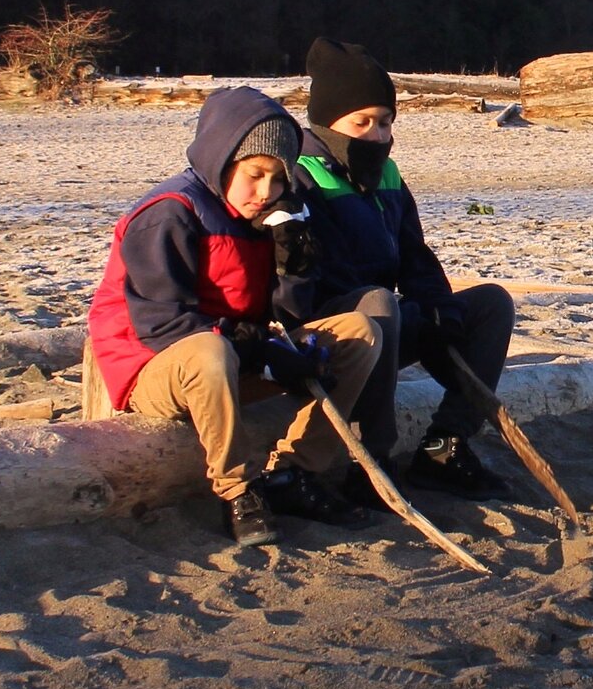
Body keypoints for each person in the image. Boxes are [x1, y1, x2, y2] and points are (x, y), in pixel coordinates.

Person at [85, 86, 382, 547]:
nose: (266, 192)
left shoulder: (269, 215)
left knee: (359, 331)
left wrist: (293, 265)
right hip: (155, 367)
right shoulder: (169, 214)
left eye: (278, 179)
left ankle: (295, 472)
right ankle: (238, 489)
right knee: (208, 351)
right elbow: (161, 326)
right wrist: (259, 350)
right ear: (223, 161)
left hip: (236, 357)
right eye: (255, 175)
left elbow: (287, 315)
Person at [281, 38, 518, 500]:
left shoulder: (387, 176)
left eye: (385, 121)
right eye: (362, 122)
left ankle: (446, 444)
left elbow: (414, 255)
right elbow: (312, 279)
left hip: (388, 322)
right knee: (377, 302)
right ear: (329, 121)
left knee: (491, 304)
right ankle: (372, 458)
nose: (376, 134)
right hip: (333, 334)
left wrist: (437, 309)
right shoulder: (300, 177)